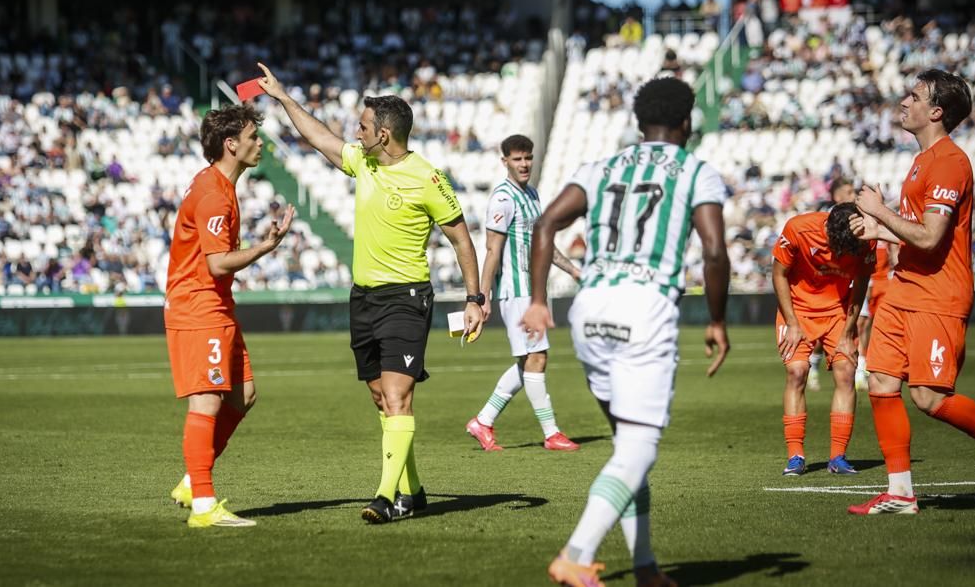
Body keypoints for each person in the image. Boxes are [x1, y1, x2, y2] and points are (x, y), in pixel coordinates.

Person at [522, 77, 730, 586]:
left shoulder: (602, 166)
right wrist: (719, 321)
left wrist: (538, 300)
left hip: (589, 309)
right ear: (687, 122)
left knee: (626, 447)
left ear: (639, 123)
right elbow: (714, 250)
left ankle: (645, 568)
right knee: (638, 449)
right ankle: (576, 553)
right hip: (645, 308)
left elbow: (545, 224)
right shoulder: (696, 170)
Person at [258, 62, 486, 524]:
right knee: (381, 397)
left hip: (406, 297)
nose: (353, 132)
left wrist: (473, 298)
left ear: (384, 135)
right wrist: (282, 98)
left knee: (400, 397)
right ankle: (415, 489)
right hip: (363, 299)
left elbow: (461, 238)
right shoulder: (362, 161)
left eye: (362, 126)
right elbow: (318, 137)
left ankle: (387, 498)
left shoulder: (428, 178)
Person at [849, 69, 975, 515]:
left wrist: (881, 212)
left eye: (914, 96)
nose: (904, 101)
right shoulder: (920, 161)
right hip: (904, 289)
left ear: (936, 111)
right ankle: (900, 494)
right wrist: (881, 229)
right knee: (881, 381)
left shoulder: (950, 161)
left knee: (929, 398)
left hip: (937, 295)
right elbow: (920, 236)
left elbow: (930, 239)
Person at [165, 104, 296, 528]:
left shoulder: (219, 185)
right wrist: (263, 248)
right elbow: (218, 262)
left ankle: (191, 480)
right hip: (198, 305)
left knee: (243, 394)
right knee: (207, 399)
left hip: (215, 304)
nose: (260, 144)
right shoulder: (213, 193)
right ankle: (204, 504)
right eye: (254, 137)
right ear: (231, 144)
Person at [465, 134, 582, 452]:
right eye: (517, 159)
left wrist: (572, 270)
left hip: (532, 291)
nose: (524, 164)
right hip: (515, 291)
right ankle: (551, 432)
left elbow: (542, 244)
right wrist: (481, 296)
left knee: (528, 360)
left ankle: (483, 421)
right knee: (537, 358)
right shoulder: (503, 198)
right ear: (504, 161)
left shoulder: (532, 194)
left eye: (528, 157)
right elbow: (492, 250)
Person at [773, 203, 875, 477]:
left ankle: (838, 457)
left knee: (846, 372)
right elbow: (779, 273)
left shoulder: (866, 238)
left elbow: (861, 284)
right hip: (797, 310)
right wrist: (792, 323)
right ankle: (795, 456)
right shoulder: (798, 228)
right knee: (797, 372)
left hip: (838, 311)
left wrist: (847, 332)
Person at [806, 177, 858, 391]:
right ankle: (814, 366)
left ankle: (861, 370)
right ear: (837, 196)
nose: (854, 195)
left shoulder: (858, 218)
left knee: (861, 326)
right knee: (819, 337)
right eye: (849, 191)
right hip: (822, 288)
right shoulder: (822, 217)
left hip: (851, 283)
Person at [856, 241, 896, 391]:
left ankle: (877, 367)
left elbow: (894, 255)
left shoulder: (886, 231)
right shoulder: (868, 229)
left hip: (884, 283)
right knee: (862, 325)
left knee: (882, 326)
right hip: (867, 280)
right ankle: (861, 368)